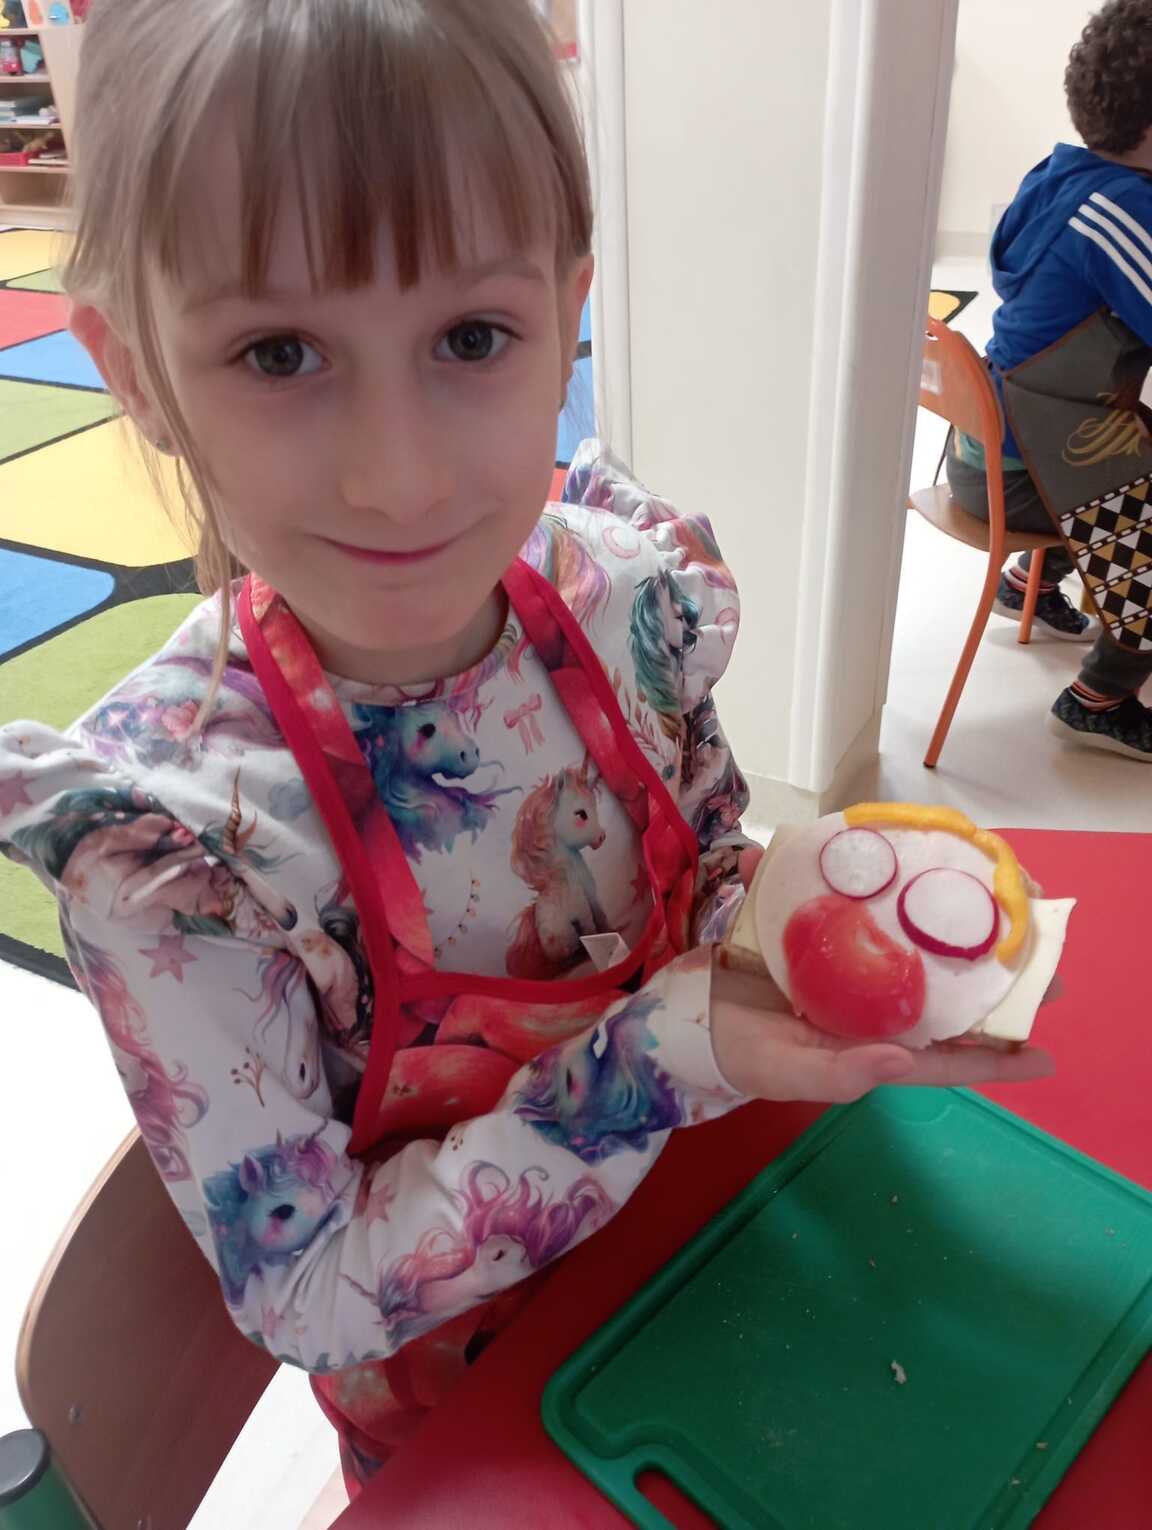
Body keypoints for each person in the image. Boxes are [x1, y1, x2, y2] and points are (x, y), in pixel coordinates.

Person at [0, 0, 1050, 1496]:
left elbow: (713, 870)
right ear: (138, 372)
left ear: (567, 317)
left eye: (471, 337)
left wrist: (814, 929)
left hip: (737, 1244)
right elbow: (310, 1287)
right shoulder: (181, 849)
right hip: (489, 1437)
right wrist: (663, 1055)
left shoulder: (626, 599)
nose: (399, 474)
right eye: (280, 351)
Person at [947, 0, 1152, 762]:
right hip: (1030, 469)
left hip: (988, 453)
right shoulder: (1124, 210)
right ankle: (1099, 699)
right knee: (1134, 475)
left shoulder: (1062, 175)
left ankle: (1030, 581)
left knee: (1126, 434)